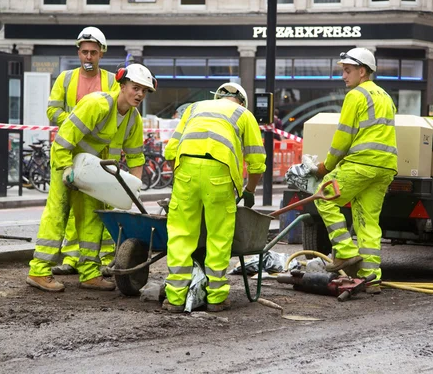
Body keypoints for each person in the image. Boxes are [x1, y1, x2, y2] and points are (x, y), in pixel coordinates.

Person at [26, 63, 156, 292]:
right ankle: (39, 271)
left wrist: (134, 191)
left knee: (92, 219)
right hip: (67, 163)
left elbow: (136, 158)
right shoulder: (97, 104)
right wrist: (66, 169)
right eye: (136, 88)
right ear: (122, 85)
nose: (139, 94)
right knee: (58, 214)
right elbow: (64, 139)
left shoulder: (133, 119)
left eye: (144, 91)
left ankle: (89, 274)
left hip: (93, 173)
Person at [162, 82, 266, 313]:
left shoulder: (194, 108)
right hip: (220, 174)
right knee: (218, 236)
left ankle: (175, 298)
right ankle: (216, 297)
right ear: (242, 100)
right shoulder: (244, 114)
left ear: (217, 96)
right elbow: (257, 163)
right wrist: (249, 191)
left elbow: (170, 152)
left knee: (181, 234)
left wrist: (182, 178)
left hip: (186, 169)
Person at [313, 47, 397, 295]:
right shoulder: (385, 97)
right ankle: (371, 278)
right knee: (368, 222)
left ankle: (346, 253)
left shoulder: (356, 95)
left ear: (362, 72)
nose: (343, 76)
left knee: (323, 197)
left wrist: (326, 167)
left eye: (347, 71)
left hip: (362, 163)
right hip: (385, 167)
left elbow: (343, 137)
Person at [47, 26, 118, 276]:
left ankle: (109, 257)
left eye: (93, 53)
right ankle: (72, 257)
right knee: (70, 208)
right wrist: (78, 122)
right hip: (70, 151)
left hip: (99, 154)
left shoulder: (111, 81)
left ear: (102, 54)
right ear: (78, 52)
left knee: (102, 207)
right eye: (85, 52)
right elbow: (52, 111)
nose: (88, 57)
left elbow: (118, 115)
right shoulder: (65, 79)